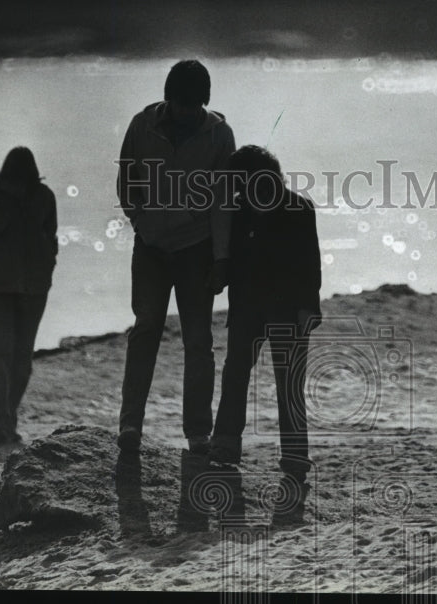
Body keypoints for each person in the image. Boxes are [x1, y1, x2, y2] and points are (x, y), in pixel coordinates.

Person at [116, 59, 236, 452]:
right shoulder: (141, 125)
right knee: (146, 328)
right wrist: (141, 223)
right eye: (182, 106)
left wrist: (221, 259)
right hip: (149, 248)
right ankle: (130, 425)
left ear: (204, 102)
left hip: (197, 250)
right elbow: (126, 183)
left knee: (198, 342)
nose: (188, 114)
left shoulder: (220, 135)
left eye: (195, 107)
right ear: (168, 99)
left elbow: (223, 203)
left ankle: (197, 431)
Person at [209, 145, 322, 493]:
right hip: (246, 306)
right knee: (236, 375)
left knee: (289, 384)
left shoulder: (299, 207)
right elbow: (228, 258)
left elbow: (310, 263)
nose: (243, 190)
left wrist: (309, 307)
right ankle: (226, 446)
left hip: (287, 308)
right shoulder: (238, 209)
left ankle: (294, 458)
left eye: (243, 183)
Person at [0, 147, 58, 446]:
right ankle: (0, 424)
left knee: (22, 360)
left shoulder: (44, 196)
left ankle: (7, 415)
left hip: (33, 286)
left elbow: (52, 235)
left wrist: (48, 263)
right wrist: (9, 199)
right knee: (0, 356)